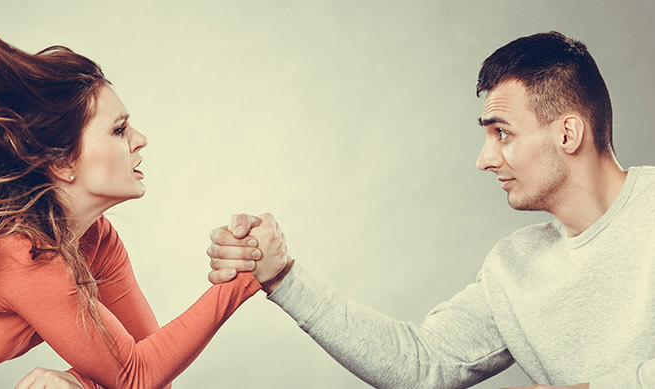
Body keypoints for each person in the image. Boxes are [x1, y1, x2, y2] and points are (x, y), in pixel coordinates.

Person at [0, 1, 271, 388]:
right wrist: (246, 276)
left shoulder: (98, 241)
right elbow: (135, 375)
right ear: (63, 162)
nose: (141, 140)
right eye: (119, 129)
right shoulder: (22, 251)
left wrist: (78, 383)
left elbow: (149, 367)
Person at [207, 31, 654, 388]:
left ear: (568, 134)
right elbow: (423, 365)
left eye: (503, 133)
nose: (485, 159)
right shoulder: (514, 268)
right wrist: (283, 276)